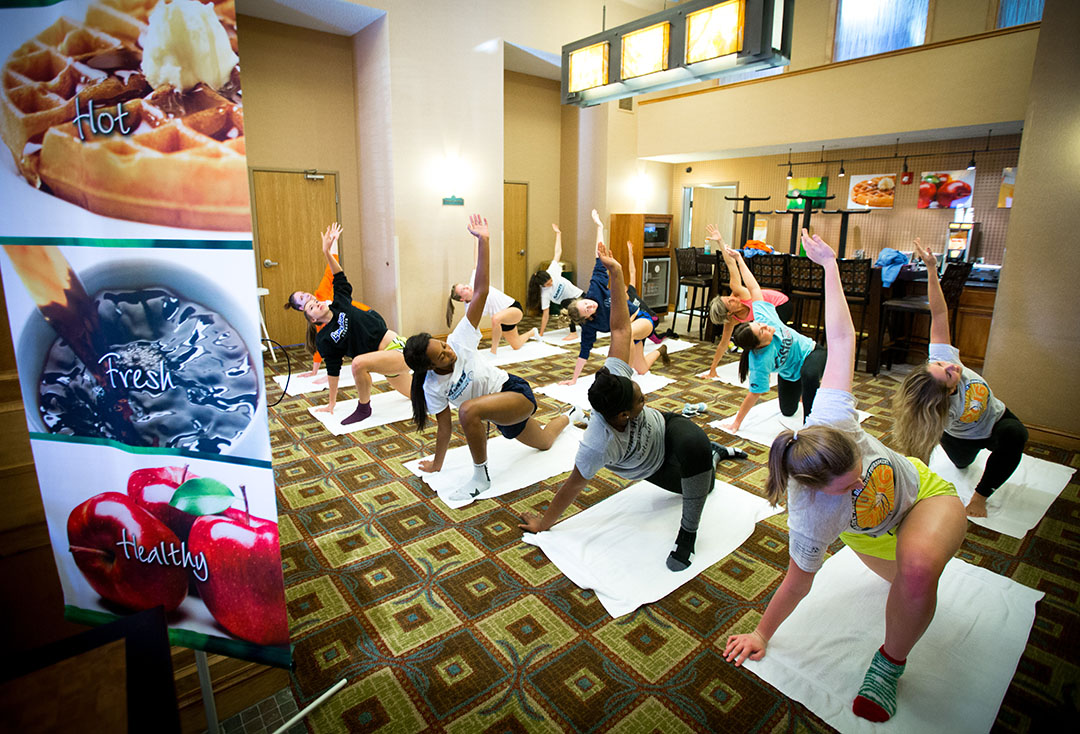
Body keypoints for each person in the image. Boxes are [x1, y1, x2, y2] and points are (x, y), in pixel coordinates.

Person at [723, 229, 968, 724]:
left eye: (857, 472)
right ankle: (906, 573)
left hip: (922, 497)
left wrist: (831, 267)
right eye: (846, 487)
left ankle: (888, 664)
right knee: (913, 588)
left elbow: (841, 337)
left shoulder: (833, 416)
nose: (859, 483)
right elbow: (796, 582)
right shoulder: (811, 514)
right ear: (815, 491)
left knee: (919, 571)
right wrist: (762, 634)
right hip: (872, 537)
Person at [519, 237, 746, 570]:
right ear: (623, 414)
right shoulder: (597, 445)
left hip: (666, 428)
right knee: (705, 483)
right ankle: (714, 455)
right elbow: (572, 487)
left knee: (694, 443)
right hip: (653, 466)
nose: (644, 395)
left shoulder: (612, 379)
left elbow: (621, 328)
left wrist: (617, 273)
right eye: (640, 399)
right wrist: (543, 523)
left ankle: (687, 535)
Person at [405, 215, 578, 502]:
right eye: (441, 356)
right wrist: (437, 464)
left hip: (514, 393)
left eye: (443, 345)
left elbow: (481, 291)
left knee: (469, 410)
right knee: (545, 442)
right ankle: (571, 415)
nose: (449, 351)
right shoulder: (432, 387)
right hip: (501, 417)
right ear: (430, 368)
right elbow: (445, 428)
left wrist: (484, 241)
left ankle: (480, 476)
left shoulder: (460, 339)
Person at [891, 239, 1028, 518]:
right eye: (948, 373)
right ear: (945, 394)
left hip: (996, 419)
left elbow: (939, 312)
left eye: (942, 364)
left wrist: (931, 270)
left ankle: (980, 496)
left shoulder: (943, 360)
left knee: (1016, 436)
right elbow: (919, 454)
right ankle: (963, 455)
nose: (953, 366)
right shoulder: (939, 413)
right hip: (961, 437)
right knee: (962, 464)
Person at [298, 223, 411, 424]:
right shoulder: (325, 338)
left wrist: (327, 251)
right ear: (313, 320)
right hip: (386, 365)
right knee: (419, 397)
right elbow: (333, 371)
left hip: (397, 348)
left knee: (358, 363)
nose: (316, 304)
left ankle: (363, 408)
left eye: (315, 302)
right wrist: (331, 403)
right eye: (311, 308)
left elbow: (338, 275)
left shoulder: (339, 302)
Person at [718, 244, 824, 433]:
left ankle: (811, 428)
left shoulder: (765, 317)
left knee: (809, 376)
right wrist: (736, 423)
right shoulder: (759, 360)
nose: (766, 327)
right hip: (791, 373)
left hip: (812, 352)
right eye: (762, 332)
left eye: (760, 325)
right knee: (788, 411)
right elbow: (753, 394)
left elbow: (753, 287)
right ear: (758, 346)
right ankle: (804, 389)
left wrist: (740, 259)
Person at [561, 209, 668, 385]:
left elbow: (600, 257)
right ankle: (661, 350)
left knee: (626, 336)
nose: (590, 306)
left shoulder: (595, 290)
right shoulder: (589, 326)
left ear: (585, 298)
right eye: (587, 310)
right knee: (642, 368)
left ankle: (625, 381)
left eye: (587, 303)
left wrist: (599, 227)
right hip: (629, 332)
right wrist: (573, 379)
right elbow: (584, 352)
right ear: (586, 318)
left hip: (641, 319)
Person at [704, 224, 792, 378]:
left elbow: (731, 264)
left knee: (773, 335)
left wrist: (720, 241)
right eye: (729, 302)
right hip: (766, 312)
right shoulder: (731, 321)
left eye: (728, 297)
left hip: (781, 304)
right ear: (730, 312)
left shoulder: (738, 292)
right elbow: (723, 344)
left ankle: (780, 368)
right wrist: (713, 369)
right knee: (758, 335)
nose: (732, 298)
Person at [447, 244, 536, 354]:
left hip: (513, 309)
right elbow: (469, 328)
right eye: (462, 290)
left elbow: (477, 261)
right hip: (502, 320)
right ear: (462, 299)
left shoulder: (475, 282)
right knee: (516, 345)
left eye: (464, 285)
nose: (466, 287)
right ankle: (532, 332)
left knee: (495, 318)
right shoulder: (470, 309)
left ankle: (493, 350)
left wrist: (477, 239)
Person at [527, 223, 582, 340]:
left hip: (578, 294)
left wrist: (558, 234)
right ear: (542, 286)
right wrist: (541, 333)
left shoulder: (552, 270)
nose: (551, 283)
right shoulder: (544, 294)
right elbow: (545, 315)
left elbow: (558, 252)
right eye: (548, 284)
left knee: (590, 317)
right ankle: (573, 332)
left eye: (551, 281)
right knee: (568, 305)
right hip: (568, 304)